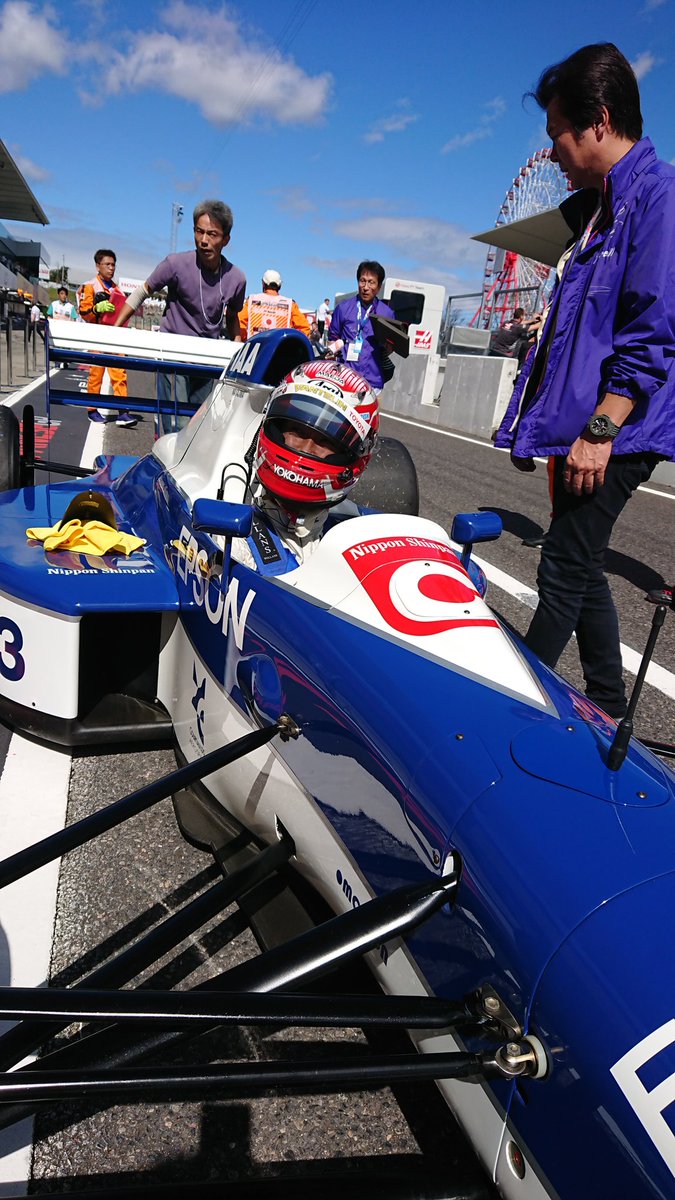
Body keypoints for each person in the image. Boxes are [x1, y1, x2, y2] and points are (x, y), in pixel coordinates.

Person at [495, 42, 675, 719]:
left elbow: (652, 327)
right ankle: (606, 700)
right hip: (603, 417)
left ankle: (515, 708)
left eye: (558, 133)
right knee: (584, 557)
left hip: (626, 420)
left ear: (598, 121)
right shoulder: (600, 208)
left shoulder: (659, 196)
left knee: (564, 564)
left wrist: (600, 430)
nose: (551, 152)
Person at [232, 360, 379, 572]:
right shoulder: (232, 539)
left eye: (325, 441)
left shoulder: (365, 534)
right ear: (273, 428)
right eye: (297, 432)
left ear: (353, 457)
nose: (307, 448)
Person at [114, 200, 246, 434]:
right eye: (199, 231)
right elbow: (142, 292)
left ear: (226, 239)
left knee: (197, 425)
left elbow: (233, 316)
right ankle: (165, 445)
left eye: (212, 234)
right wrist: (114, 330)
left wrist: (236, 347)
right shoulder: (175, 264)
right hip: (172, 352)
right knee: (177, 423)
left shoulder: (236, 278)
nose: (203, 240)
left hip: (207, 357)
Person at [79, 249, 136, 427]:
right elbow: (84, 312)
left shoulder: (117, 290)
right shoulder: (90, 286)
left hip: (114, 336)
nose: (111, 268)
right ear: (98, 266)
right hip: (97, 335)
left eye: (113, 265)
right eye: (107, 264)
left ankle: (123, 412)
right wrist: (96, 309)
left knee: (119, 373)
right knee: (96, 374)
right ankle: (92, 410)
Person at [327, 262, 396, 393]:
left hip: (372, 381)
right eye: (362, 281)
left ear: (379, 287)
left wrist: (389, 347)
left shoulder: (387, 313)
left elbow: (390, 347)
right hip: (343, 377)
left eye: (371, 282)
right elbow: (332, 338)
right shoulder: (343, 308)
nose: (366, 287)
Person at [238, 270, 310, 340]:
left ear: (263, 284)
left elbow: (239, 322)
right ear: (280, 285)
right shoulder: (290, 304)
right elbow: (305, 328)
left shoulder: (251, 300)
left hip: (254, 346)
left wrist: (244, 338)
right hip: (280, 347)